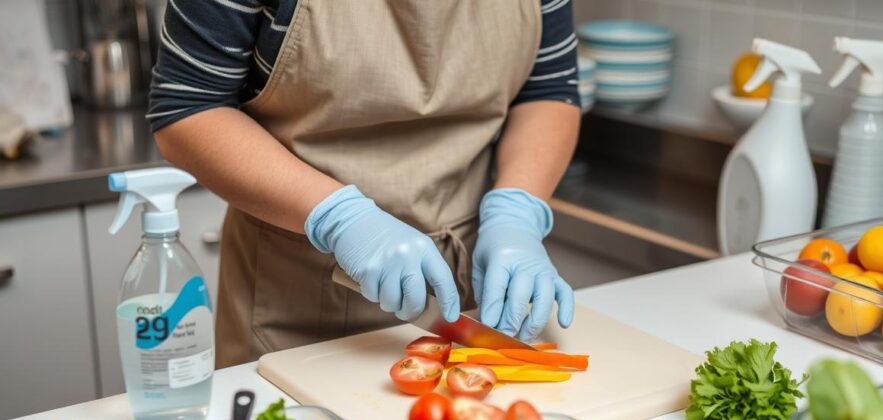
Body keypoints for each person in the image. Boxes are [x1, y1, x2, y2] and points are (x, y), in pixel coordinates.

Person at [149, 0, 581, 368]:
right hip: (294, 303)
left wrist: (516, 211)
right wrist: (340, 218)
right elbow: (187, 107)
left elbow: (548, 89)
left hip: (469, 288)